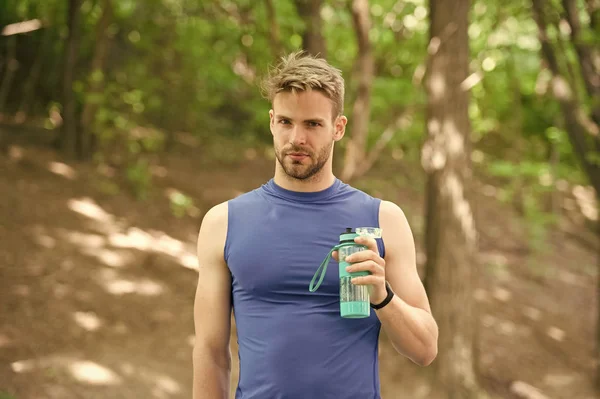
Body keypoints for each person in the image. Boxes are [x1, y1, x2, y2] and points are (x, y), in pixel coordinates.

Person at [192, 51, 438, 399]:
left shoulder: (383, 220)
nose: (297, 138)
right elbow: (210, 352)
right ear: (271, 121)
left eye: (313, 124)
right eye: (286, 122)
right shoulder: (223, 223)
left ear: (338, 128)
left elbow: (426, 349)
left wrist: (383, 297)